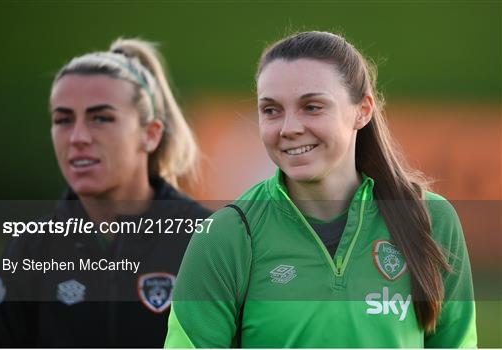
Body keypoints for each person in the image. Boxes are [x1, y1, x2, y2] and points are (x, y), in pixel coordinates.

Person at [165, 31, 476, 348]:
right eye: (271, 110)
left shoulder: (431, 220)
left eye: (312, 107)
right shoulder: (228, 235)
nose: (289, 129)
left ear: (363, 110)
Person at [0, 38, 211, 347]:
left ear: (150, 134)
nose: (77, 137)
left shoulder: (208, 242)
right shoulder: (29, 250)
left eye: (101, 118)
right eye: (63, 120)